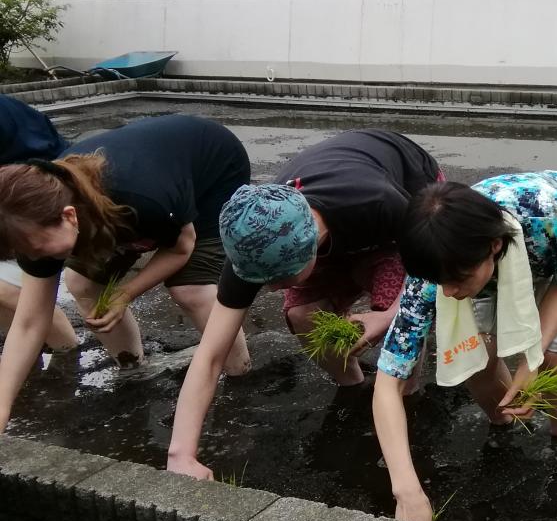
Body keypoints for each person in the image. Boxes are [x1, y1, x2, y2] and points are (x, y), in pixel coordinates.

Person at [166, 129, 442, 480]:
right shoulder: (252, 243)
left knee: (399, 324)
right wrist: (181, 453)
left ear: (312, 246)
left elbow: (430, 262)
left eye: (280, 280)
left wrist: (389, 315)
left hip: (409, 206)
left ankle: (404, 400)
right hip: (326, 227)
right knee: (301, 312)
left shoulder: (377, 202)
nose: (270, 289)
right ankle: (353, 387)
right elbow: (210, 355)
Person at [373, 170, 557, 521]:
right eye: (441, 283)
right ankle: (503, 419)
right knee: (477, 352)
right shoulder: (434, 273)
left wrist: (530, 361)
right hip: (479, 254)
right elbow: (387, 383)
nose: (450, 294)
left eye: (457, 282)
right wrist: (406, 490)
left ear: (494, 248)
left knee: (552, 354)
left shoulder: (555, 219)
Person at [0, 113, 252, 431]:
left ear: (68, 216)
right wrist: (2, 405)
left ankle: (241, 375)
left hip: (212, 171)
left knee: (190, 290)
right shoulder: (31, 227)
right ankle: (134, 369)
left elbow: (182, 247)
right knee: (81, 282)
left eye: (37, 250)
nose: (34, 258)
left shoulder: (143, 200)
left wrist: (125, 294)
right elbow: (28, 322)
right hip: (128, 195)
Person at [0, 95, 77, 351]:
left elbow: (52, 163)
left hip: (31, 207)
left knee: (20, 295)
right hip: (16, 206)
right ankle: (26, 353)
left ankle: (67, 351)